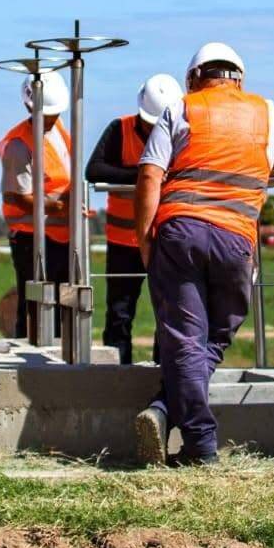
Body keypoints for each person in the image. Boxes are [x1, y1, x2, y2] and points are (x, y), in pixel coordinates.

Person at [132, 43, 274, 466]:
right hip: (237, 239)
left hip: (181, 232)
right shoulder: (267, 112)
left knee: (185, 340)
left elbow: (150, 172)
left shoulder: (183, 109)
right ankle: (177, 419)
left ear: (193, 78)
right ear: (239, 78)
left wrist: (146, 239)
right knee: (214, 338)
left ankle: (188, 432)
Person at [85, 73, 183, 365]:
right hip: (123, 242)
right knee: (119, 313)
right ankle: (118, 375)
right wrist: (143, 175)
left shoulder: (180, 132)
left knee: (167, 312)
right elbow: (94, 170)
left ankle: (161, 373)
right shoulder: (121, 129)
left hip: (161, 239)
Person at [0, 70, 73, 339]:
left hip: (61, 237)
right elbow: (21, 196)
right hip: (31, 239)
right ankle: (28, 364)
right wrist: (61, 207)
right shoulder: (19, 145)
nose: (52, 118)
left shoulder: (60, 132)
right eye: (47, 113)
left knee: (62, 306)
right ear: (29, 107)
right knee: (34, 309)